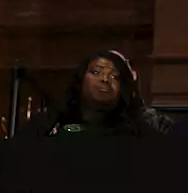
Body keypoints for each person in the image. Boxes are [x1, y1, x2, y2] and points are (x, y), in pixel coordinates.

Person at [22, 50, 155, 137]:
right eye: (96, 72)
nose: (105, 79)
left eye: (115, 76)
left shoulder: (139, 130)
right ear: (80, 80)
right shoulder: (50, 123)